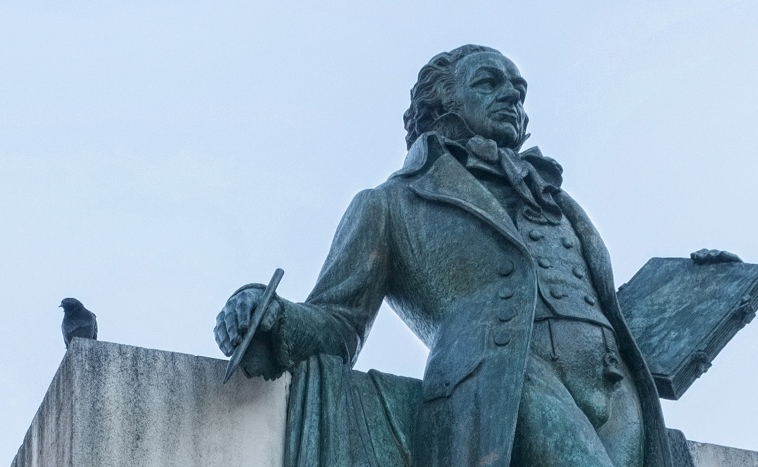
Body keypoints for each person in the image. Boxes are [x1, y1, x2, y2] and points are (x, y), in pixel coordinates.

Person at [214, 45, 673, 467]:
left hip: (617, 389)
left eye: (519, 88)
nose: (512, 94)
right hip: (505, 381)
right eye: (488, 83)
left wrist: (696, 286)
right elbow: (337, 321)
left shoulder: (555, 198)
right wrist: (268, 309)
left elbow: (607, 306)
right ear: (441, 105)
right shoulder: (390, 204)